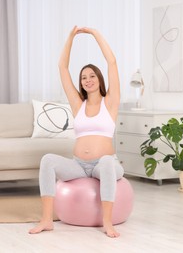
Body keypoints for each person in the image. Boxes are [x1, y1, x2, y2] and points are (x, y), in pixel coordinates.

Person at [29, 26, 124, 238]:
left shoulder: (110, 102)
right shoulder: (77, 104)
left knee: (107, 162)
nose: (87, 80)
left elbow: (112, 63)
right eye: (83, 77)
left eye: (92, 76)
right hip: (79, 165)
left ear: (99, 78)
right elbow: (62, 68)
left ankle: (107, 222)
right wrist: (70, 38)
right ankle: (46, 219)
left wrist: (96, 34)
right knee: (47, 160)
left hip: (106, 164)